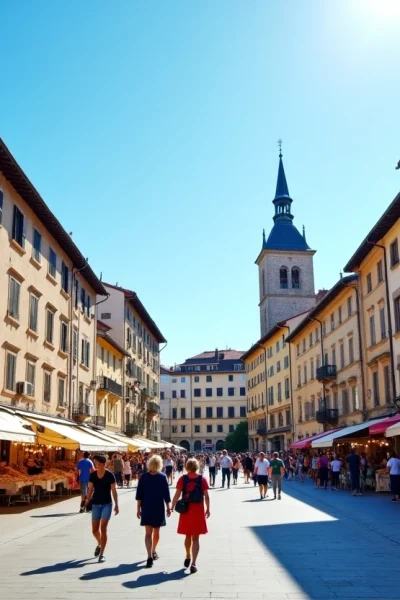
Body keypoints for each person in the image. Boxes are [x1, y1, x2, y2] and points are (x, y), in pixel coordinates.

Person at [171, 457, 210, 574]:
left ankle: (187, 555)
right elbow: (206, 496)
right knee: (196, 538)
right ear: (197, 466)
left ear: (187, 467)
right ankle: (194, 563)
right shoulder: (202, 479)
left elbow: (177, 495)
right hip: (198, 509)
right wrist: (208, 508)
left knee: (187, 536)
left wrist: (171, 507)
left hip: (186, 510)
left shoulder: (182, 479)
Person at [136, 455, 171, 568]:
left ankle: (149, 556)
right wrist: (168, 507)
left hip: (146, 507)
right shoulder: (162, 477)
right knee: (156, 532)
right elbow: (166, 494)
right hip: (158, 507)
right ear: (160, 464)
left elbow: (139, 495)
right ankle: (153, 551)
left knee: (147, 534)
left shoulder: (143, 477)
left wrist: (138, 509)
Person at [86, 455, 119, 563]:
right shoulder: (93, 475)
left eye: (98, 464)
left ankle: (102, 554)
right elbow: (90, 489)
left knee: (103, 528)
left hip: (107, 504)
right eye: (95, 463)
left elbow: (114, 490)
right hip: (95, 504)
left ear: (104, 464)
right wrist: (87, 501)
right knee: (94, 530)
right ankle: (100, 543)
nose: (96, 465)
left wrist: (116, 504)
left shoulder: (110, 475)